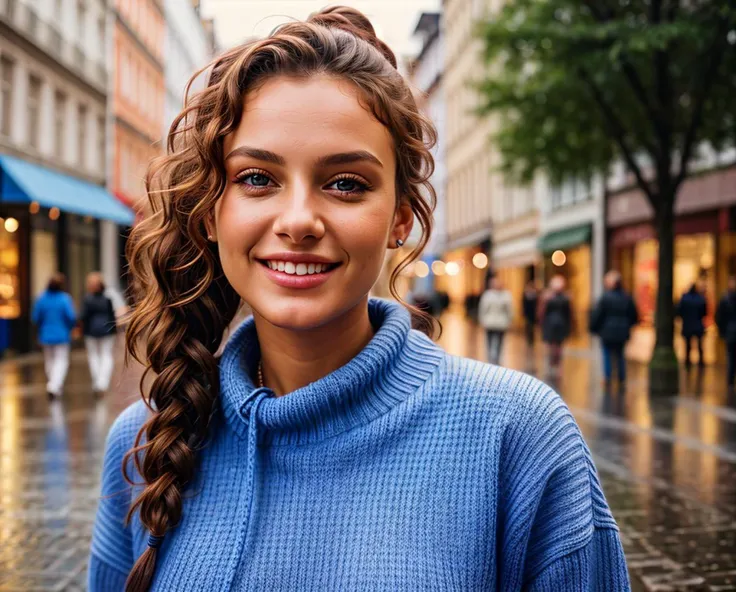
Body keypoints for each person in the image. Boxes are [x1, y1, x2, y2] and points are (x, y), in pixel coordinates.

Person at [88, 8, 629, 591]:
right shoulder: (147, 442)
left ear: (400, 217)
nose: (298, 221)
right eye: (256, 179)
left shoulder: (516, 437)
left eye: (346, 183)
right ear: (211, 211)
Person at [31, 273, 77, 401]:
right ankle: (54, 385)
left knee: (50, 361)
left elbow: (35, 317)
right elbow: (71, 317)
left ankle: (53, 384)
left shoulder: (41, 298)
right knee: (61, 361)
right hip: (61, 335)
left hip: (46, 335)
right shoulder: (64, 299)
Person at [590, 271, 638, 387]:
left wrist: (594, 328)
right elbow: (633, 315)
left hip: (608, 331)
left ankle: (608, 377)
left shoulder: (605, 297)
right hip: (621, 331)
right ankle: (621, 378)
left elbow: (598, 314)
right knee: (620, 355)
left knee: (607, 355)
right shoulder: (626, 297)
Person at [81, 272, 118, 396]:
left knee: (94, 356)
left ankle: (98, 382)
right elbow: (112, 315)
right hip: (106, 330)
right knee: (106, 355)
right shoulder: (107, 299)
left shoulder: (87, 299)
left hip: (91, 331)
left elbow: (84, 317)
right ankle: (102, 382)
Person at [539, 275, 572, 376]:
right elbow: (569, 314)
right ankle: (556, 364)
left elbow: (542, 312)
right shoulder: (565, 298)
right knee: (558, 346)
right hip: (560, 324)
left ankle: (552, 364)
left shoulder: (548, 298)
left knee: (551, 346)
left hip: (551, 324)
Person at [478, 276, 513, 365]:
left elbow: (509, 310)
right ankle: (490, 356)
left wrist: (510, 320)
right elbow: (483, 308)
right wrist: (482, 319)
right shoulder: (488, 295)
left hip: (501, 322)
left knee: (500, 341)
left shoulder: (506, 295)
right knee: (489, 340)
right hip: (490, 322)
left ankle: (497, 357)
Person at [676, 283, 707, 370]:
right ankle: (701, 362)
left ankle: (688, 363)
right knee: (700, 346)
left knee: (688, 346)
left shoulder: (685, 299)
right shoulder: (700, 299)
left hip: (688, 325)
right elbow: (704, 312)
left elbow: (679, 311)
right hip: (697, 325)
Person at [716, 276, 736, 388]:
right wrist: (722, 331)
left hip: (730, 332)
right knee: (731, 357)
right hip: (730, 333)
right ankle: (730, 380)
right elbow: (720, 317)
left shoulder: (725, 299)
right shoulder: (725, 300)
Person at [522, 280, 538, 348]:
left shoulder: (535, 295)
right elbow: (523, 304)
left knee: (532, 326)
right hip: (528, 313)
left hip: (533, 313)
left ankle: (531, 339)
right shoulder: (525, 294)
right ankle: (528, 339)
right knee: (528, 326)